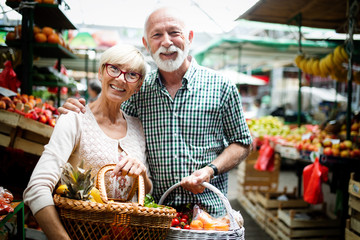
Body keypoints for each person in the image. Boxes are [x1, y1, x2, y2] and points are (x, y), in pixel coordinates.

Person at [58, 6, 252, 216]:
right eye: (157, 35)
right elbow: (109, 118)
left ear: (189, 38)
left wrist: (210, 170)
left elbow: (242, 142)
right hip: (156, 216)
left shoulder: (221, 86)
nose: (166, 42)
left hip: (211, 215)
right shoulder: (138, 89)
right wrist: (81, 111)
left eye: (174, 33)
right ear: (146, 43)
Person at [23, 44, 152, 240]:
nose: (120, 78)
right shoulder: (74, 119)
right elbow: (36, 189)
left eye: (131, 74)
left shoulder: (137, 127)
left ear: (138, 86)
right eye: (114, 68)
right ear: (101, 72)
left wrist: (142, 173)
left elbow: (146, 190)